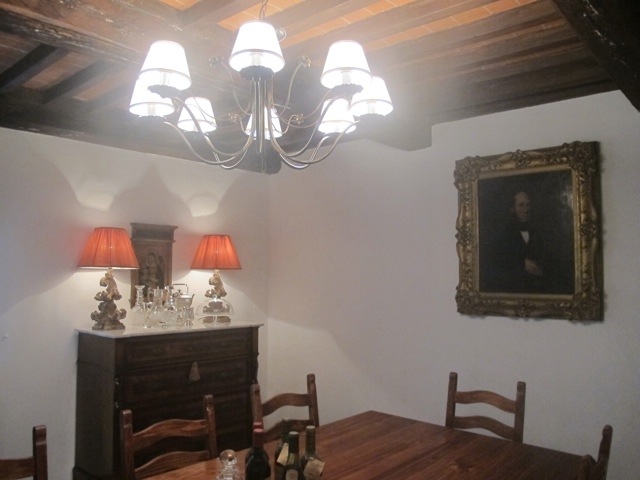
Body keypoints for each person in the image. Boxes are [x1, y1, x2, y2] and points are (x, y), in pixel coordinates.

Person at [481, 190, 548, 293]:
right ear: (512, 209)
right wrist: (521, 264)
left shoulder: (536, 232)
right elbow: (495, 263)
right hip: (513, 290)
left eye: (528, 205)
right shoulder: (503, 234)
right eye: (521, 205)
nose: (526, 209)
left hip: (536, 290)